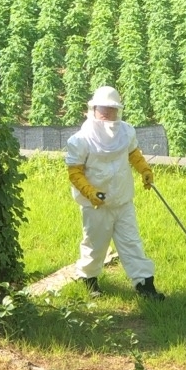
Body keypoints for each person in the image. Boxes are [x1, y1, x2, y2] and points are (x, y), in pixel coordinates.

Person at [65, 85, 165, 300]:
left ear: (118, 110)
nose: (107, 113)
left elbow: (133, 153)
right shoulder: (80, 140)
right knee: (95, 245)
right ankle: (89, 281)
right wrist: (89, 192)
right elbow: (75, 172)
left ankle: (145, 286)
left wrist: (144, 170)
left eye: (112, 109)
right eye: (103, 109)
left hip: (122, 201)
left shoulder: (126, 132)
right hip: (96, 206)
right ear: (93, 109)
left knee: (132, 243)